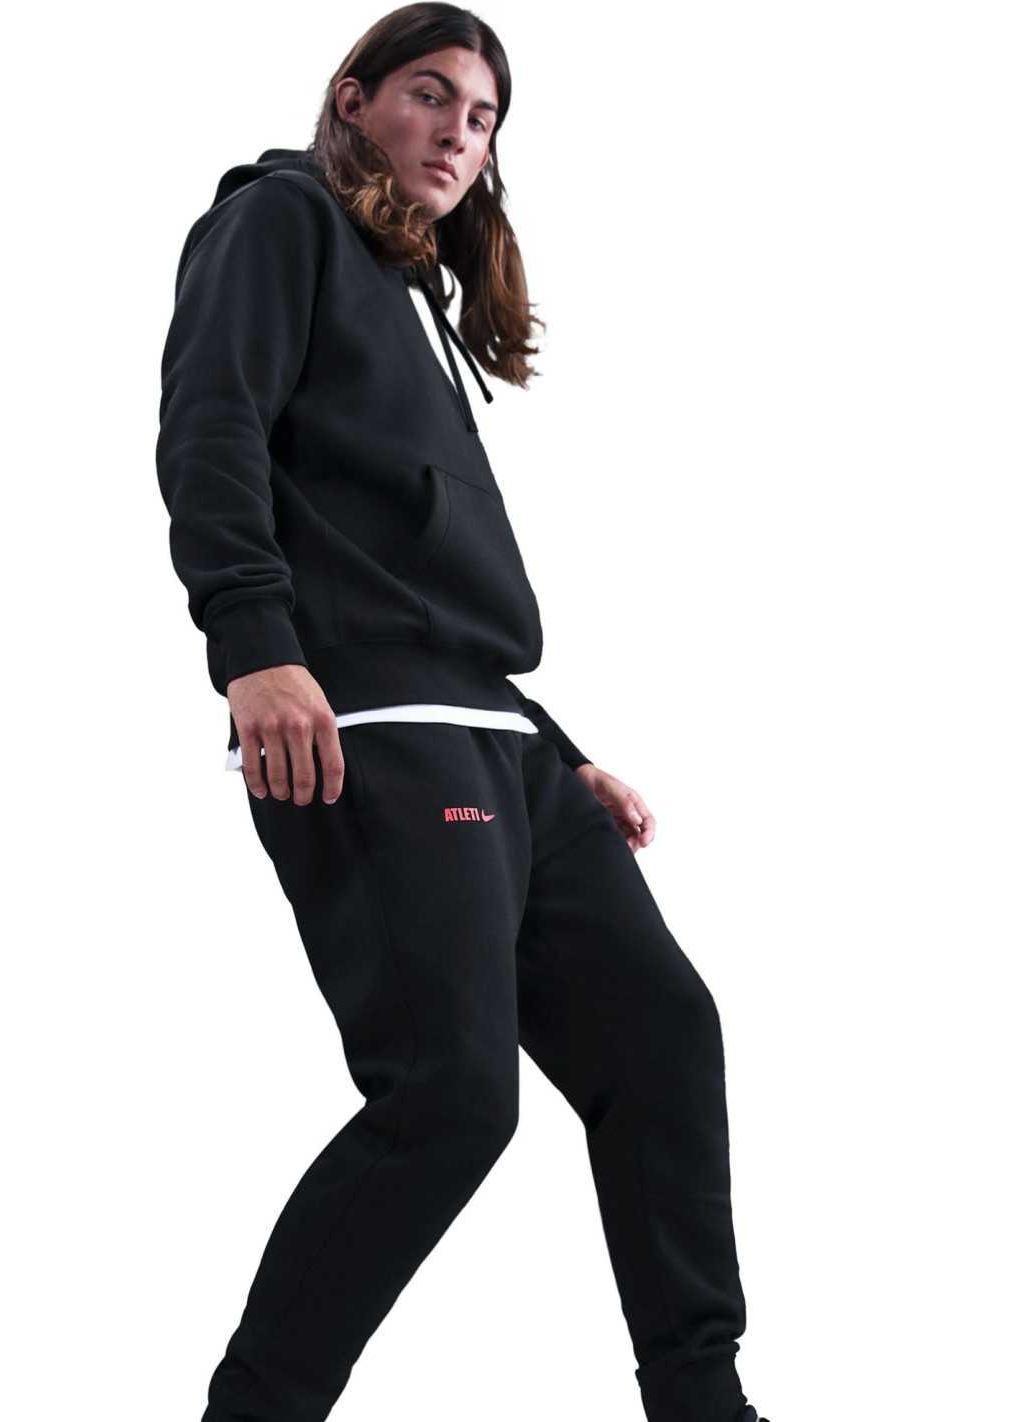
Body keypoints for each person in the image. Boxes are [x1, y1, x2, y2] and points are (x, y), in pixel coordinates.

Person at [155, 6, 772, 1421]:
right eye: (430, 95)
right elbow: (211, 424)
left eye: (483, 117)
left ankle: (702, 1402)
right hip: (369, 726)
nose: (457, 132)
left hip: (494, 732)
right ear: (353, 99)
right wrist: (252, 645)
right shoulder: (280, 222)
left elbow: (423, 576)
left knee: (663, 1037)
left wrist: (557, 752)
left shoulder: (412, 293)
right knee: (449, 1098)